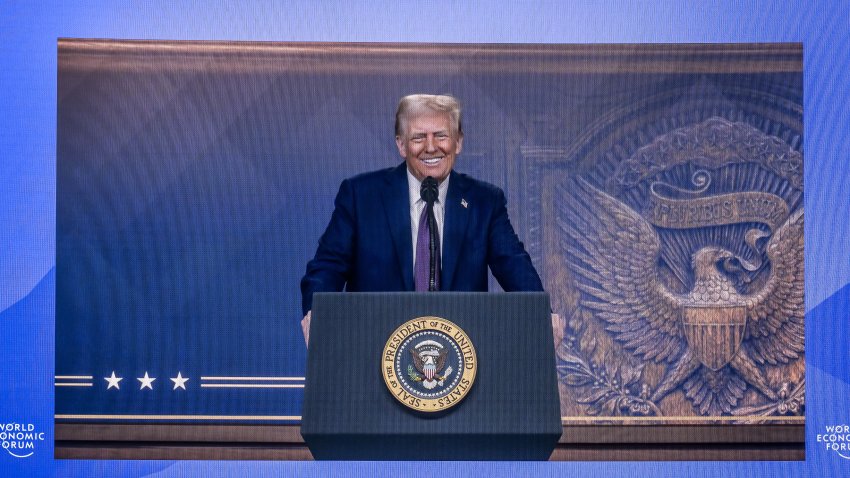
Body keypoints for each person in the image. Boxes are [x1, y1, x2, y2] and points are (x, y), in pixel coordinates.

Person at [300, 94, 562, 345]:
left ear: (458, 142)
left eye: (441, 136)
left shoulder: (484, 202)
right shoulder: (361, 196)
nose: (431, 146)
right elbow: (328, 267)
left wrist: (541, 314)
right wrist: (317, 313)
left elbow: (514, 265)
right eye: (418, 137)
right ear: (401, 145)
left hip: (461, 357)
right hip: (375, 347)